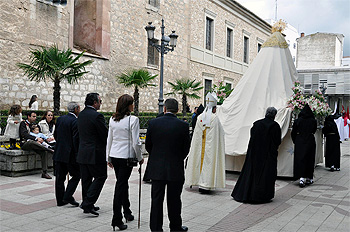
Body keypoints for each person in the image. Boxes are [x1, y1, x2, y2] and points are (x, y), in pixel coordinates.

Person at [145, 98, 190, 232]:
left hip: (157, 168)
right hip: (175, 168)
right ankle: (175, 227)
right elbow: (186, 149)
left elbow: (148, 146)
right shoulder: (183, 126)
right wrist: (176, 159)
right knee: (175, 200)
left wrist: (157, 157)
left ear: (164, 108)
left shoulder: (153, 123)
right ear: (177, 110)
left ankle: (156, 228)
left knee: (156, 200)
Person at [106, 94, 144, 231]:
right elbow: (136, 142)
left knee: (122, 183)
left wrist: (108, 157)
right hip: (126, 158)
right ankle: (117, 218)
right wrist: (140, 157)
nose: (133, 106)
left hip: (115, 156)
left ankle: (127, 212)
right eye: (132, 104)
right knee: (120, 186)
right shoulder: (133, 120)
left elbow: (109, 139)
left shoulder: (112, 119)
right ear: (127, 105)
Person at [231, 107, 281, 203]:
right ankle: (262, 196)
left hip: (254, 154)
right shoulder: (275, 126)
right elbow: (277, 141)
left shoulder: (257, 124)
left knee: (251, 174)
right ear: (274, 115)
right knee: (264, 176)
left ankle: (246, 194)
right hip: (267, 156)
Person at [185, 92, 225, 193]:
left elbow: (197, 134)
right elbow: (220, 132)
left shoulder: (199, 118)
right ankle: (206, 185)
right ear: (214, 108)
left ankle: (197, 181)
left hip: (200, 145)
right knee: (209, 162)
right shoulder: (215, 118)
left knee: (199, 159)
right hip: (210, 146)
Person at [77, 93, 108, 216]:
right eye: (100, 101)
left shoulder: (81, 115)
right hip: (95, 153)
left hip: (83, 152)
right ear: (95, 102)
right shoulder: (97, 116)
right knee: (101, 176)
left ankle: (87, 204)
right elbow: (104, 134)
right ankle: (88, 202)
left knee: (86, 179)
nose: (101, 103)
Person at [53, 102, 81, 207]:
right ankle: (68, 195)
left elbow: (56, 135)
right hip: (70, 155)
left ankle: (60, 200)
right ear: (76, 109)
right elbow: (76, 139)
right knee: (77, 175)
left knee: (60, 178)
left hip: (59, 152)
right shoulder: (75, 121)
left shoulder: (60, 119)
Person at [19, 111, 53, 179]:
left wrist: (42, 139)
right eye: (33, 116)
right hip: (25, 143)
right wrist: (36, 138)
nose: (35, 118)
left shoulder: (35, 124)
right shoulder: (23, 123)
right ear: (28, 117)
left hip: (37, 144)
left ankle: (44, 172)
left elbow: (40, 133)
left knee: (43, 152)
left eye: (35, 116)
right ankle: (50, 150)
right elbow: (24, 134)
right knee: (32, 142)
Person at [291, 104, 317, 188]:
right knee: (309, 159)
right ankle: (309, 177)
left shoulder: (297, 121)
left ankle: (301, 177)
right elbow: (314, 130)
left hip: (300, 141)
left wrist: (296, 141)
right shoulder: (313, 121)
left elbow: (293, 132)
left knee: (300, 159)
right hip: (310, 140)